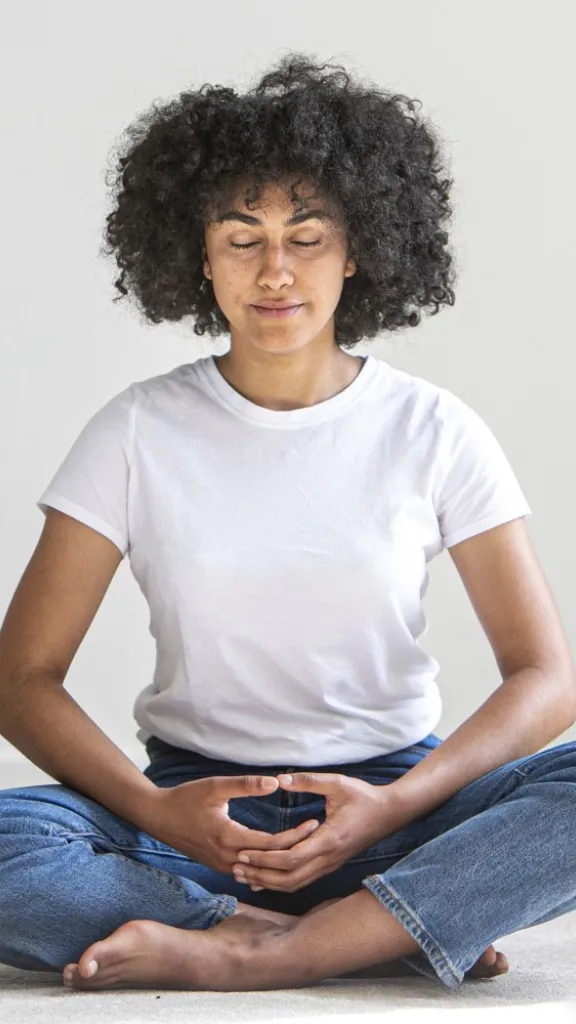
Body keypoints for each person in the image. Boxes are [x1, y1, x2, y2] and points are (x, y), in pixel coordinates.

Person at [0, 52, 575, 995]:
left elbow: (549, 679)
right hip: (192, 824)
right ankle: (387, 925)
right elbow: (22, 678)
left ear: (360, 251)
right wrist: (157, 807)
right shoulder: (135, 430)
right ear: (198, 254)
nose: (276, 270)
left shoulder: (434, 429)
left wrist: (393, 806)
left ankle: (274, 949)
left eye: (307, 236)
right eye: (242, 236)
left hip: (395, 810)